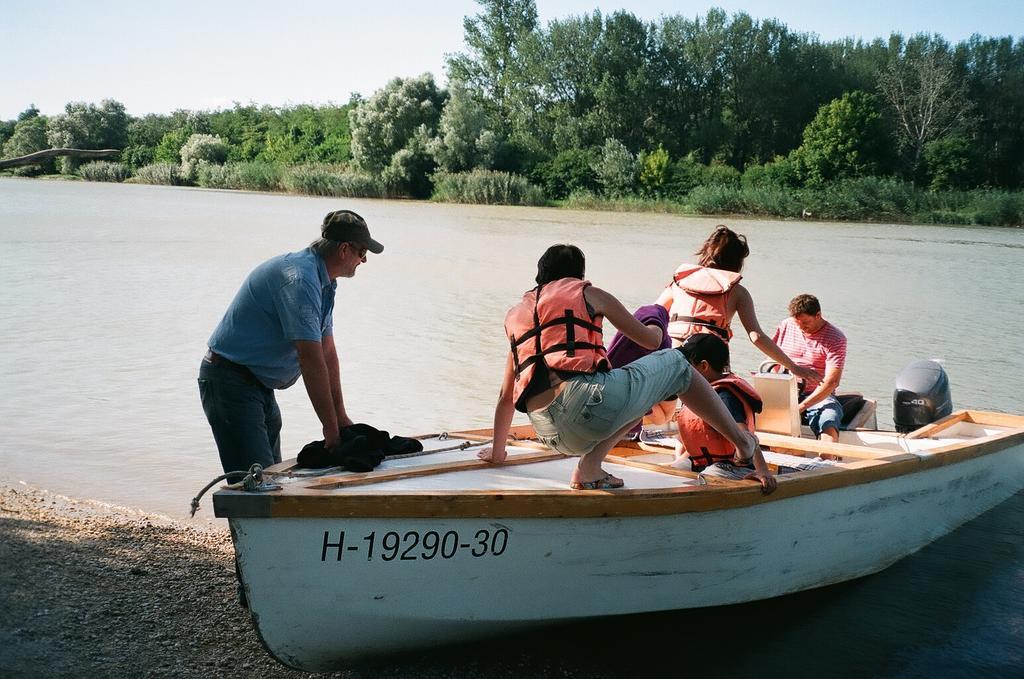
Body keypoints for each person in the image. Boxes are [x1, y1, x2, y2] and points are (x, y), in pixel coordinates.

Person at [477, 244, 773, 494]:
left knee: (633, 387)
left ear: (540, 275)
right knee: (677, 363)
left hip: (548, 432)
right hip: (586, 410)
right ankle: (744, 444)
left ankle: (591, 467)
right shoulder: (588, 293)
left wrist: (498, 452)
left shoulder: (517, 317)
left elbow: (506, 396)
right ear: (579, 275)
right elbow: (649, 340)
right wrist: (658, 322)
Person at [198, 209, 383, 475]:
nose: (364, 260)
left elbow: (327, 352)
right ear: (344, 249)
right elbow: (310, 359)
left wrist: (340, 419)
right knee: (257, 485)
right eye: (362, 251)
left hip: (257, 384)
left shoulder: (324, 283)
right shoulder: (300, 280)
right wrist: (330, 430)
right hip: (230, 381)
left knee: (272, 477)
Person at [655, 225, 818, 383]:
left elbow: (652, 315)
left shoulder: (679, 283)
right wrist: (793, 367)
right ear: (737, 262)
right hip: (710, 360)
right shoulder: (738, 292)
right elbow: (756, 337)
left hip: (673, 353)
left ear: (705, 253)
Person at [675, 334, 774, 490]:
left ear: (703, 366)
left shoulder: (725, 397)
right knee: (671, 473)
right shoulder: (695, 394)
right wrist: (677, 466)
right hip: (706, 463)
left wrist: (762, 471)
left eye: (688, 365)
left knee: (707, 478)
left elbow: (747, 438)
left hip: (734, 467)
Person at [772, 294, 847, 443]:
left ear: (818, 315)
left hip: (817, 395)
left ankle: (827, 460)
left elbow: (832, 382)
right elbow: (772, 361)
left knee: (828, 416)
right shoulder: (787, 325)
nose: (801, 327)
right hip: (785, 391)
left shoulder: (836, 338)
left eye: (806, 323)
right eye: (797, 323)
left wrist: (801, 407)